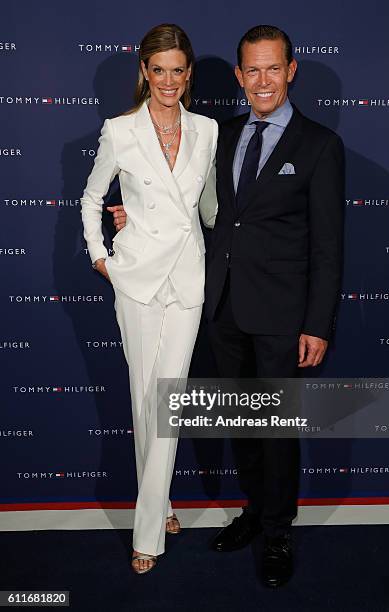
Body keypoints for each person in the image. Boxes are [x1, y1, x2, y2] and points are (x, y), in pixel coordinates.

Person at [111, 24, 344, 588]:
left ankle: (278, 531)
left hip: (284, 318)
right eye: (251, 71)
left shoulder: (319, 145)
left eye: (273, 69)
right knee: (242, 424)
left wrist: (317, 324)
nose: (262, 81)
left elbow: (328, 245)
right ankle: (253, 511)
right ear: (238, 77)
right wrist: (135, 219)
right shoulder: (220, 134)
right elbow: (197, 209)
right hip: (222, 307)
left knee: (276, 429)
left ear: (290, 71)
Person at [80, 23, 218, 574]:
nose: (168, 80)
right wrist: (100, 257)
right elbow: (92, 199)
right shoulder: (119, 130)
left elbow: (207, 206)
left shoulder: (207, 129)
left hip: (186, 279)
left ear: (188, 75)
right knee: (146, 400)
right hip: (135, 279)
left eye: (177, 70)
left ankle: (148, 529)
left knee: (167, 402)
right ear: (144, 71)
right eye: (157, 70)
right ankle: (159, 508)